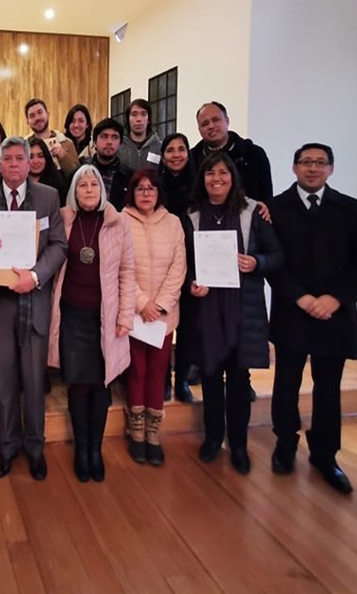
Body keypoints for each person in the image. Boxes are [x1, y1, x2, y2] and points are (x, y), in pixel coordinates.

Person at [268, 143, 357, 494]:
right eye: (305, 162)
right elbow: (271, 260)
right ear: (294, 167)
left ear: (331, 168)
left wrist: (335, 298)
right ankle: (285, 445)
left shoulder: (349, 208)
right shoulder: (275, 209)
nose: (312, 168)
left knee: (328, 387)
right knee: (286, 382)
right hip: (292, 309)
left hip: (335, 313)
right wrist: (300, 296)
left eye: (319, 163)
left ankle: (326, 454)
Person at [0, 136, 67, 481]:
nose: (13, 164)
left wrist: (37, 276)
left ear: (29, 164)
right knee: (7, 379)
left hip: (33, 298)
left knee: (34, 377)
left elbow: (59, 245)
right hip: (1, 304)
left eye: (19, 158)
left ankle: (36, 448)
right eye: (7, 159)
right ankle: (8, 446)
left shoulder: (48, 197)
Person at [184, 152, 283, 475]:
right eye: (210, 173)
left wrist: (257, 263)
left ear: (233, 177)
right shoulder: (193, 215)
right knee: (211, 377)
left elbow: (277, 255)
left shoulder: (253, 211)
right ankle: (213, 438)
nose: (217, 179)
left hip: (245, 308)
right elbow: (184, 262)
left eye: (223, 173)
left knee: (240, 380)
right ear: (202, 178)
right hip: (207, 309)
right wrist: (191, 283)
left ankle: (238, 444)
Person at [47, 165, 135, 482]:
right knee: (77, 384)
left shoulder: (118, 222)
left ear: (101, 189)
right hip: (71, 315)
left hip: (105, 317)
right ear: (74, 190)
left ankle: (95, 450)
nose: (88, 189)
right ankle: (80, 450)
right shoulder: (63, 218)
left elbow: (127, 272)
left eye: (93, 184)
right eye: (82, 184)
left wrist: (125, 316)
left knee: (100, 385)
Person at [121, 169, 186, 466]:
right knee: (137, 371)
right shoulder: (121, 221)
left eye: (151, 189)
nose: (146, 194)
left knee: (159, 371)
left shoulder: (173, 223)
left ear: (159, 192)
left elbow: (178, 268)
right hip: (133, 313)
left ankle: (153, 433)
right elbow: (120, 267)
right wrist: (142, 303)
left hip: (163, 314)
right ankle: (135, 431)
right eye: (140, 189)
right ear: (131, 193)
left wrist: (159, 304)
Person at [159, 132, 199, 403]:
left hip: (194, 261)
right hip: (162, 263)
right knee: (162, 324)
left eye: (181, 149)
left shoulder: (200, 185)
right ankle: (163, 378)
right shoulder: (156, 185)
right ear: (162, 156)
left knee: (189, 325)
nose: (176, 155)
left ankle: (182, 377)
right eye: (170, 150)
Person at [190, 101, 273, 202]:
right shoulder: (191, 160)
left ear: (227, 121)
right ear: (199, 129)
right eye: (205, 124)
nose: (211, 126)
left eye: (216, 120)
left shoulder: (253, 154)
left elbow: (267, 198)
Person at [24, 98, 79, 179]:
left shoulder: (66, 143)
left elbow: (78, 176)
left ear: (48, 114)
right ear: (28, 121)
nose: (37, 118)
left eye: (40, 112)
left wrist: (63, 156)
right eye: (32, 116)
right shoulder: (23, 146)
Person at [88, 118, 133, 211]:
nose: (109, 142)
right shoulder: (80, 173)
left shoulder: (129, 177)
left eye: (115, 137)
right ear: (94, 142)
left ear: (120, 143)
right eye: (104, 136)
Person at [117, 99, 162, 173]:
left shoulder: (159, 148)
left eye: (143, 114)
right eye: (134, 114)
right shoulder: (118, 146)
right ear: (128, 119)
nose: (138, 119)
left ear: (148, 120)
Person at [28, 137, 67, 206]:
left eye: (40, 156)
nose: (36, 161)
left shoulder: (57, 181)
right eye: (31, 157)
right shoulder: (18, 182)